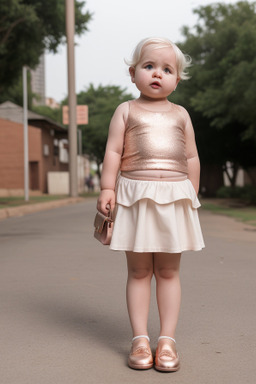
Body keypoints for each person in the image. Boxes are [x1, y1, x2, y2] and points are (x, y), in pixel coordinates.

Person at [97, 37, 205, 372]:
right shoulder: (126, 110)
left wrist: (192, 196)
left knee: (169, 271)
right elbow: (114, 151)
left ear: (177, 79)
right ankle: (140, 339)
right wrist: (106, 187)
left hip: (174, 198)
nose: (157, 74)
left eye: (167, 69)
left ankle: (167, 340)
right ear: (133, 73)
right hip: (135, 197)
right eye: (149, 66)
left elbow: (191, 157)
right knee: (139, 271)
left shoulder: (181, 114)